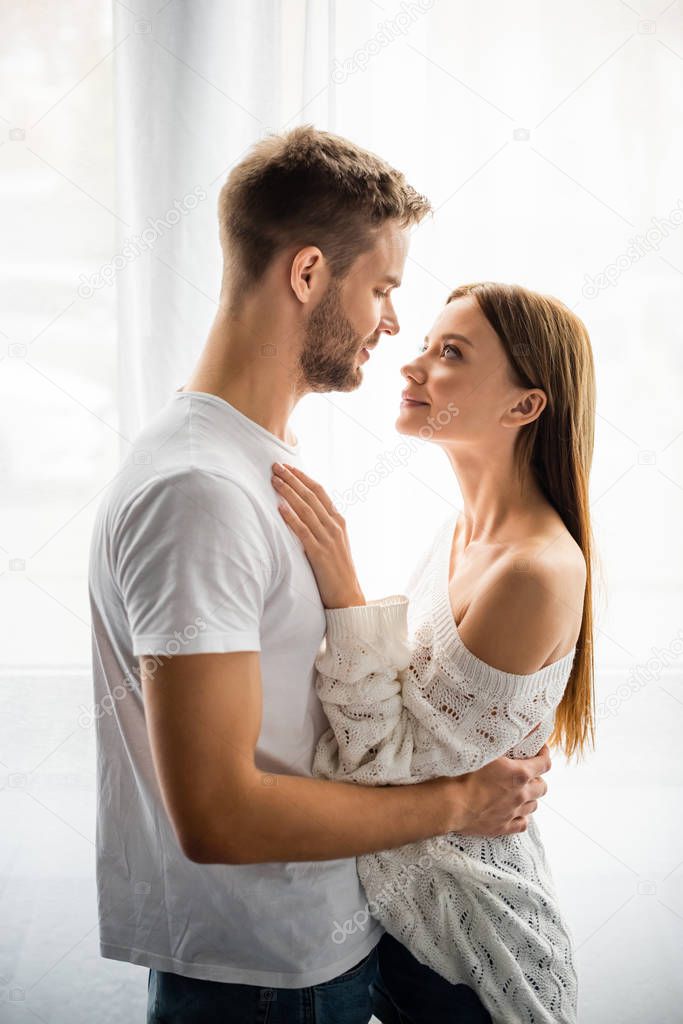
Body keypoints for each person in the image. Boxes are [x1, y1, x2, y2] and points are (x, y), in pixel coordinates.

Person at [88, 125, 555, 1024]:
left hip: (312, 952)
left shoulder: (251, 461)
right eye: (381, 287)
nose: (391, 323)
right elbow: (219, 813)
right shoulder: (200, 491)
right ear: (307, 275)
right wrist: (457, 799)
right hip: (265, 977)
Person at [270, 281, 596, 1023]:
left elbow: (383, 771)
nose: (410, 366)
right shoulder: (461, 534)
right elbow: (412, 758)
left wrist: (344, 594)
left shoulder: (530, 571)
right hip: (402, 942)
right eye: (422, 344)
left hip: (473, 964)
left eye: (449, 352)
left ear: (525, 405)